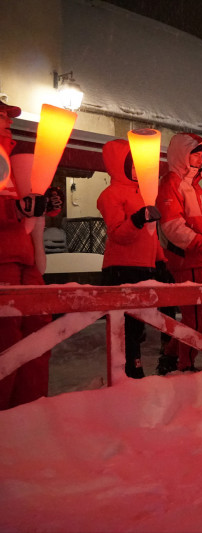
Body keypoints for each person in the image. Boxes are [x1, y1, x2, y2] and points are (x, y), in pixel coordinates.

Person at [0, 100, 64, 409]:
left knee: (37, 337)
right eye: (0, 115)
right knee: (7, 341)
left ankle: (31, 409)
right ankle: (8, 416)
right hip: (4, 264)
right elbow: (13, 208)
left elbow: (25, 208)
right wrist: (15, 208)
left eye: (7, 115)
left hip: (26, 261)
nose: (7, 120)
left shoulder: (8, 161)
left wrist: (43, 202)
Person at [156, 133, 202, 373]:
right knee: (195, 317)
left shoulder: (194, 185)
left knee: (195, 315)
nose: (201, 157)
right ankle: (185, 366)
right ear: (182, 154)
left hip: (197, 257)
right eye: (195, 152)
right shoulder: (171, 183)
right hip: (184, 258)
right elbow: (173, 227)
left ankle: (170, 358)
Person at [96, 139, 163, 378]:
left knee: (139, 327)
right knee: (125, 328)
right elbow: (117, 234)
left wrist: (160, 261)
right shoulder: (110, 194)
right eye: (131, 164)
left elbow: (151, 234)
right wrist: (137, 219)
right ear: (118, 165)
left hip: (144, 267)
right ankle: (127, 374)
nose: (137, 170)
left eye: (139, 165)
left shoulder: (145, 194)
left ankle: (133, 370)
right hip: (121, 268)